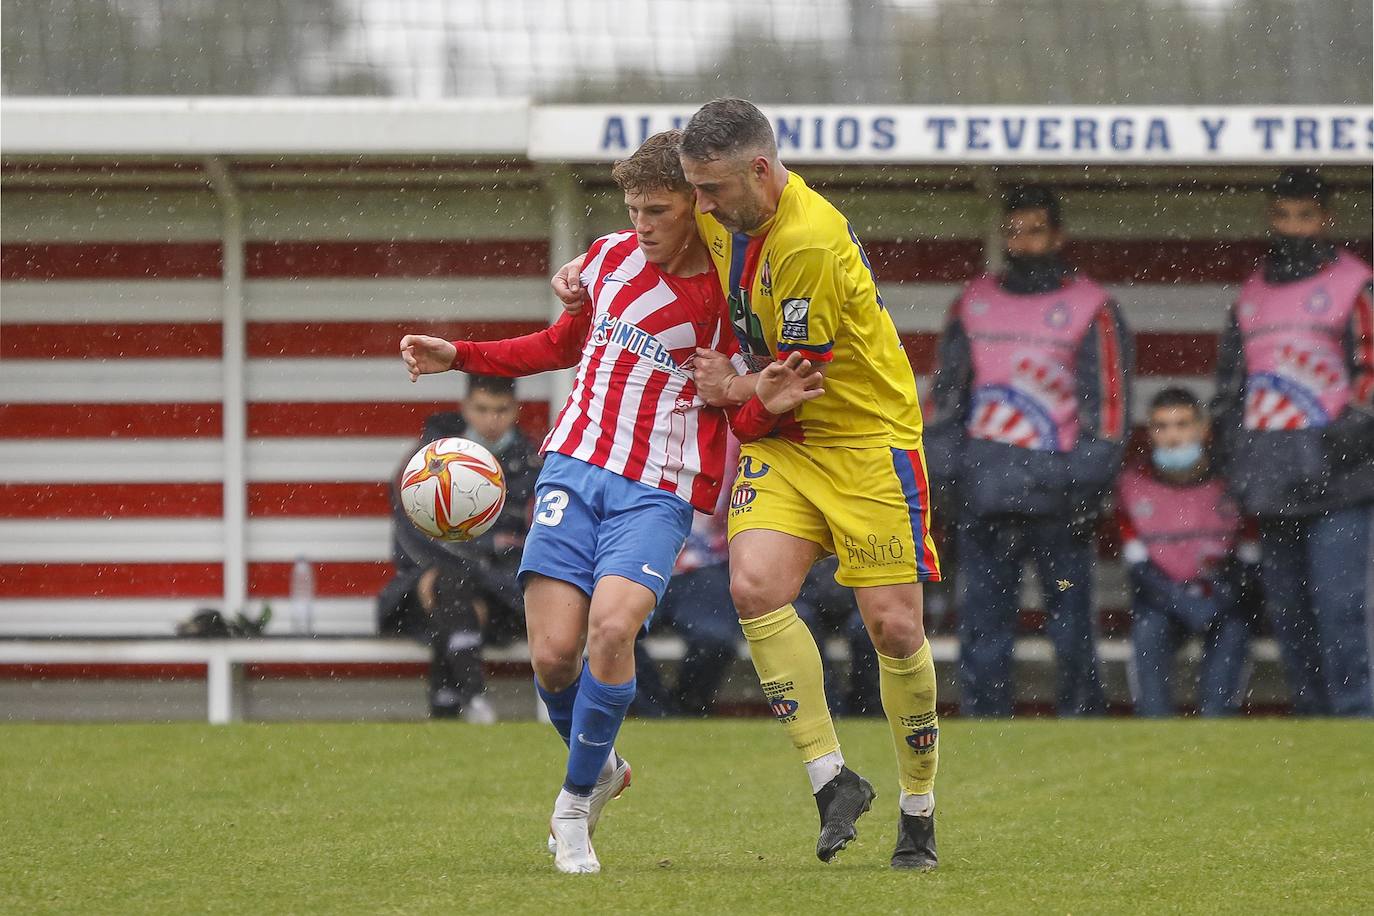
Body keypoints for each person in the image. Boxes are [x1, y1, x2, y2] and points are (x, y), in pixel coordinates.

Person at [400, 130, 823, 874]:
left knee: (613, 628)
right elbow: (562, 346)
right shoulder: (605, 259)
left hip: (660, 490)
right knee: (555, 656)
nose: (642, 225)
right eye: (632, 209)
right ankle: (602, 770)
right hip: (572, 471)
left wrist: (765, 400)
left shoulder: (734, 296)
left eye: (656, 209)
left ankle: (571, 809)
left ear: (697, 203)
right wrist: (458, 356)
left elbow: (744, 413)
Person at [557, 99, 945, 871]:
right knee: (755, 586)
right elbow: (648, 229)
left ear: (759, 172)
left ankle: (918, 809)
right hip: (792, 450)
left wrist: (731, 387)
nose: (700, 208)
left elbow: (781, 389)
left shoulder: (806, 244)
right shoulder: (726, 210)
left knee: (894, 630)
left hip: (866, 441)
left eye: (711, 192)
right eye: (693, 192)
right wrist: (585, 267)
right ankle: (831, 779)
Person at [924, 185, 1132, 718]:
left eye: (1034, 230)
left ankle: (1080, 726)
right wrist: (948, 478)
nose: (1023, 241)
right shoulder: (973, 303)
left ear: (1057, 235)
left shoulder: (1091, 306)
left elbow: (1108, 411)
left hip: (1057, 502)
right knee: (983, 624)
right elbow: (945, 401)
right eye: (1013, 231)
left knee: (1070, 622)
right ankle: (983, 731)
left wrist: (1079, 483)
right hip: (984, 496)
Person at [1211, 167, 1374, 716]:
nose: (1294, 227)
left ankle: (1355, 724)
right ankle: (1311, 729)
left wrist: (1328, 448)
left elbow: (1370, 381)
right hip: (1271, 480)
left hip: (1340, 483)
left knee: (1342, 609)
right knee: (1290, 613)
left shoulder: (1356, 284)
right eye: (1283, 216)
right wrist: (1240, 458)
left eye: (1306, 216)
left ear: (1326, 219)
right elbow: (1231, 387)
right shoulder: (1252, 292)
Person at [376, 376, 540, 721]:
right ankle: (474, 696)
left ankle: (450, 701)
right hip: (421, 592)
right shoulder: (426, 462)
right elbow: (412, 538)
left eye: (501, 410)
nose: (491, 420)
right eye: (481, 409)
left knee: (456, 596)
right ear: (465, 408)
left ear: (515, 410)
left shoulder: (536, 466)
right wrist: (480, 559)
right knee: (450, 584)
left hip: (505, 596)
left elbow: (540, 541)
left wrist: (481, 569)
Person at [1117, 388, 1259, 717]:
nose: (1171, 436)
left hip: (1225, 600)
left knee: (1234, 632)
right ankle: (1156, 736)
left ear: (1202, 428)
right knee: (1148, 631)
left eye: (1182, 424)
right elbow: (1138, 565)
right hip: (1161, 599)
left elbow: (1250, 559)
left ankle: (1216, 732)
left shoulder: (1235, 482)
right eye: (1161, 426)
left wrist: (1220, 596)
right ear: (1150, 432)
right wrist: (1181, 600)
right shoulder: (1130, 485)